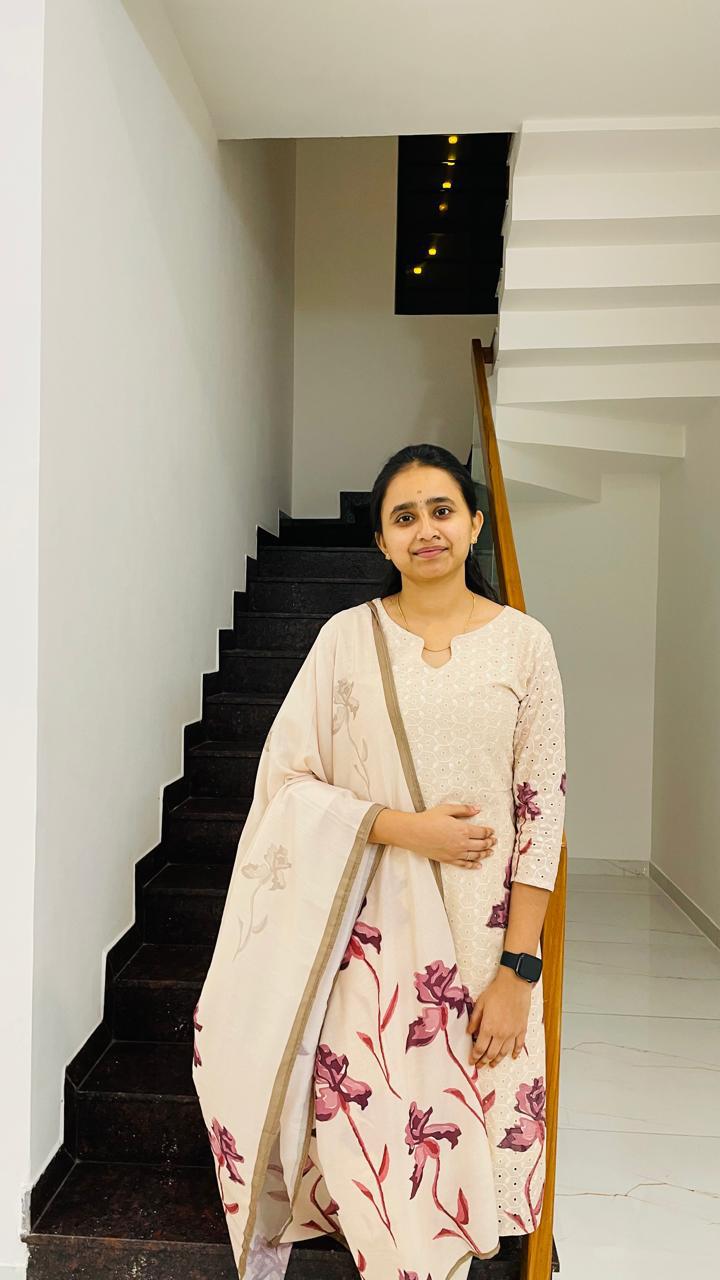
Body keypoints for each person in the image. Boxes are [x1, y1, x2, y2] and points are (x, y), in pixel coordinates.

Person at [192, 443, 567, 1280]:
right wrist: (402, 828)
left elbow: (542, 813)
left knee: (464, 1148)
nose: (425, 529)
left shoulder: (524, 645)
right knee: (379, 1140)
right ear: (382, 542)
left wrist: (519, 971)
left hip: (484, 942)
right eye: (404, 517)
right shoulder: (344, 639)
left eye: (442, 510)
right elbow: (287, 783)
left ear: (474, 524)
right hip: (367, 937)